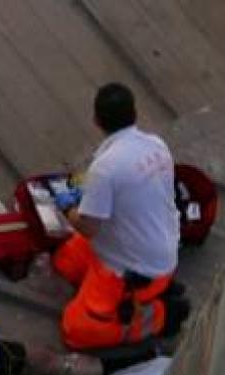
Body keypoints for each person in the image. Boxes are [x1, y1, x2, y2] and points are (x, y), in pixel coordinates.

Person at [55, 82, 186, 351]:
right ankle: (147, 290)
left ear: (96, 120)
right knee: (65, 262)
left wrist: (68, 207)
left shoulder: (105, 168)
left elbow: (88, 228)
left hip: (134, 269)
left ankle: (160, 316)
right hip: (159, 247)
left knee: (75, 329)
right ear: (134, 113)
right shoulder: (156, 145)